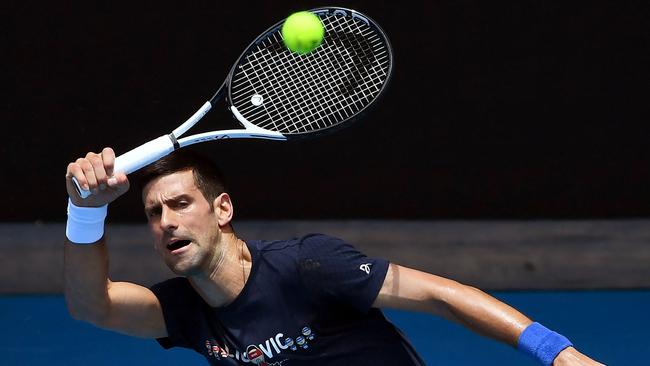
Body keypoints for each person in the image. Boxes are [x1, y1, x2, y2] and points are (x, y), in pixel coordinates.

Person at [64, 147, 605, 366]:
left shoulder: (309, 267)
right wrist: (84, 211)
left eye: (181, 204)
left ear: (222, 209)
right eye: (154, 213)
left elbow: (440, 296)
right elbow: (94, 307)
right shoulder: (184, 310)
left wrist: (556, 353)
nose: (166, 222)